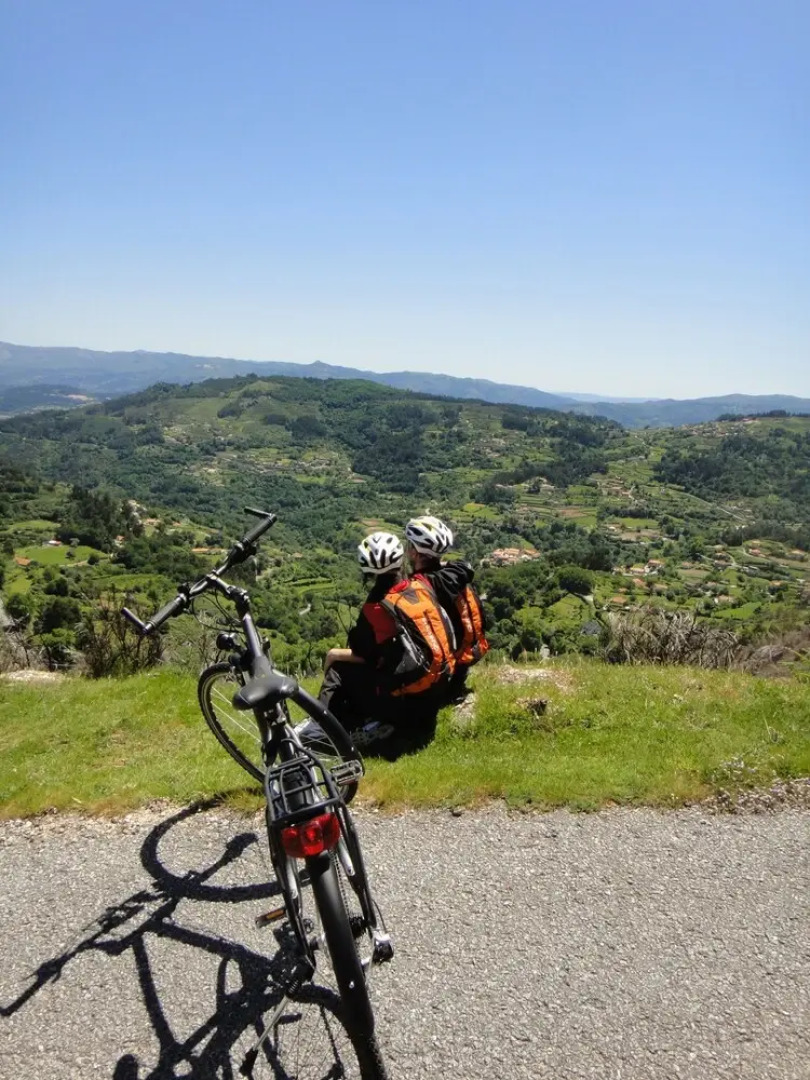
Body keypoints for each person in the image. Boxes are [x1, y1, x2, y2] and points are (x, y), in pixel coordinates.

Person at [311, 531, 447, 759]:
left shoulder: (376, 607)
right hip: (435, 693)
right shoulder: (420, 587)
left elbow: (365, 655)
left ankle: (322, 730)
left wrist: (333, 654)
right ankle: (369, 723)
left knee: (338, 669)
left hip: (403, 701)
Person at [404, 515, 487, 703]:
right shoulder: (455, 575)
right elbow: (464, 566)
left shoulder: (418, 590)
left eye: (409, 545)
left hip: (440, 674)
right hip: (462, 664)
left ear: (415, 553)